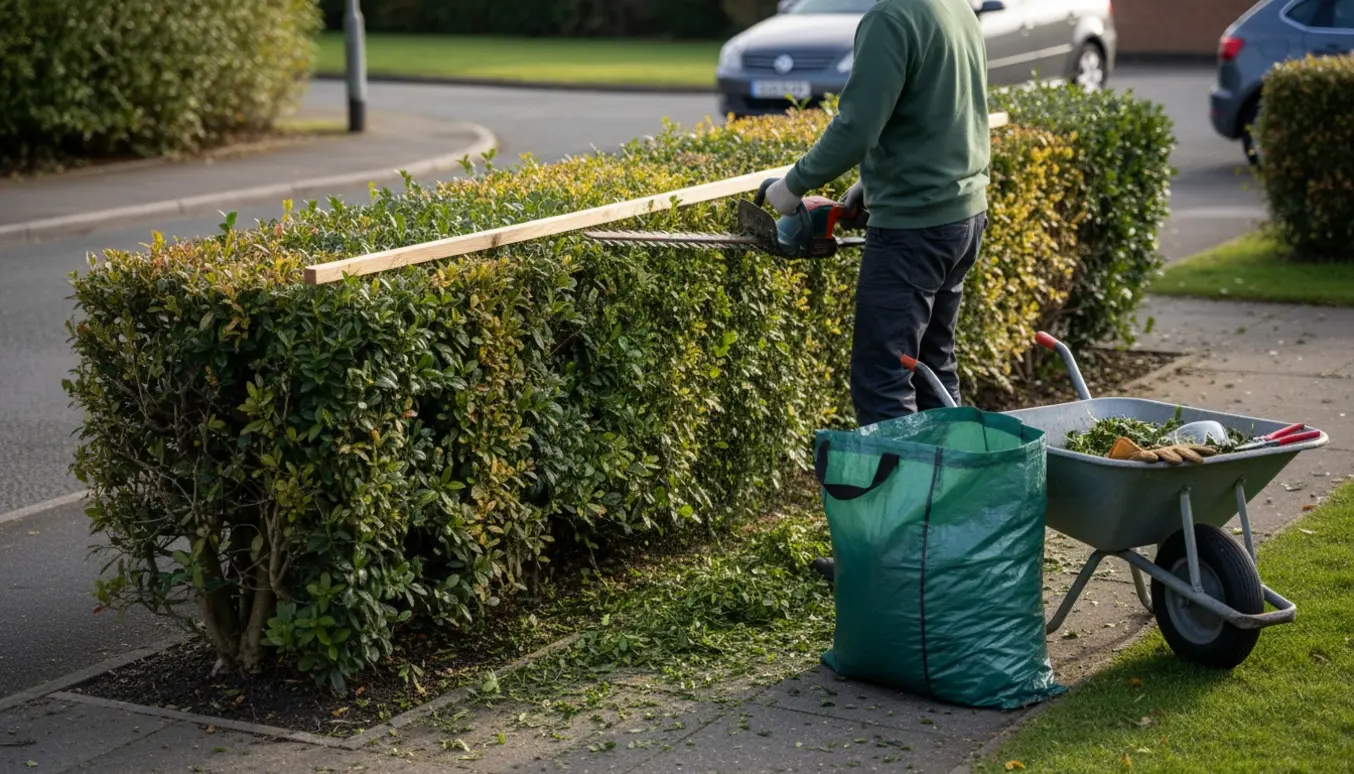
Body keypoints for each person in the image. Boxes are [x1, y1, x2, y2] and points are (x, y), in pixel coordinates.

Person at [762, 0, 991, 582]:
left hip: (915, 227)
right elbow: (942, 108)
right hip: (963, 216)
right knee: (931, 368)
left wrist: (793, 188)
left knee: (883, 379)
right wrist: (872, 179)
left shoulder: (892, 16)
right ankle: (961, 529)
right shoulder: (952, 7)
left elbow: (857, 123)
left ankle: (893, 555)